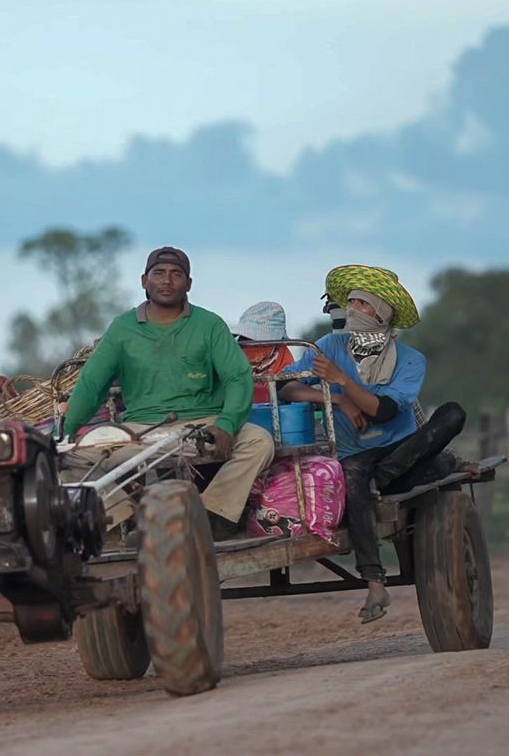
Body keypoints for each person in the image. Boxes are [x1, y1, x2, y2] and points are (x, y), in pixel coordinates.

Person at [279, 265, 465, 623]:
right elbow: (288, 388)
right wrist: (336, 400)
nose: (352, 310)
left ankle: (387, 476)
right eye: (350, 303)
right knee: (354, 475)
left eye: (362, 304)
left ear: (382, 312)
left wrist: (340, 382)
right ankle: (375, 581)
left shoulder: (411, 359)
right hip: (357, 456)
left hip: (401, 449)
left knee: (453, 413)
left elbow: (384, 412)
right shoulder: (329, 345)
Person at [61, 246, 276, 539]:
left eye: (176, 275)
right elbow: (92, 384)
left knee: (259, 441)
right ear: (144, 280)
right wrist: (66, 432)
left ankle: (213, 516)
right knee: (70, 457)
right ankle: (128, 515)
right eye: (158, 273)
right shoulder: (122, 328)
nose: (166, 281)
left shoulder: (209, 324)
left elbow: (237, 377)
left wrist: (225, 424)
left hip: (202, 426)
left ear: (188, 284)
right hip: (140, 432)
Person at [232, 301, 296, 406]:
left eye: (256, 339)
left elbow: (291, 387)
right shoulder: (232, 352)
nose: (250, 345)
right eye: (245, 338)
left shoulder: (283, 357)